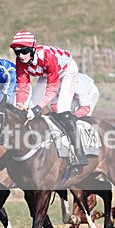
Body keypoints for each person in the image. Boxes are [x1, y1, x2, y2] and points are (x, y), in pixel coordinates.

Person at [10, 30, 87, 166]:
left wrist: (39, 108)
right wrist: (21, 104)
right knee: (29, 108)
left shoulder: (47, 57)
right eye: (17, 52)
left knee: (62, 109)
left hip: (67, 70)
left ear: (33, 48)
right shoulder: (20, 61)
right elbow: (22, 87)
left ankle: (79, 152)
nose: (21, 56)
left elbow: (52, 89)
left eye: (24, 51)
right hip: (46, 74)